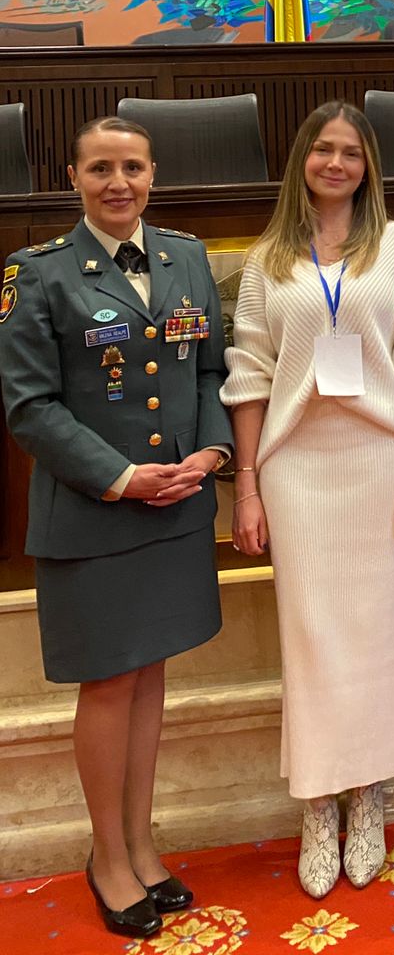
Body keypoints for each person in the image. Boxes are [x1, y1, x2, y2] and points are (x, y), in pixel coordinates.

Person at [0, 116, 231, 940]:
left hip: (177, 503)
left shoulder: (187, 257)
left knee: (149, 675)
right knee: (109, 682)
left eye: (132, 166)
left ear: (154, 173)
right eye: (101, 168)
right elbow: (29, 407)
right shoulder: (38, 274)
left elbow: (209, 367)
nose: (118, 182)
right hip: (96, 512)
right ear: (75, 177)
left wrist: (209, 451)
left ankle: (141, 840)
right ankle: (107, 855)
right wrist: (122, 476)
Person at [221, 102, 394, 898]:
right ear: (302, 161)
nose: (337, 162)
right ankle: (318, 804)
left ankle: (369, 794)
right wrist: (246, 485)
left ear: (368, 164)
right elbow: (247, 375)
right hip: (295, 465)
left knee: (378, 633)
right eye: (323, 149)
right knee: (310, 638)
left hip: (379, 459)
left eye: (352, 151)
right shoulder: (267, 258)